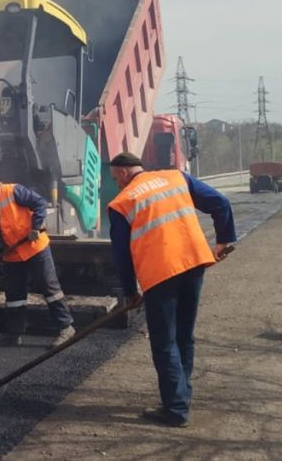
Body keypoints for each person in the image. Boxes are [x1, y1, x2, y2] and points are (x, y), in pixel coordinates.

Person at [107, 152, 235, 428]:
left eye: (116, 178)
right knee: (184, 336)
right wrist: (224, 240)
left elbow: (121, 255)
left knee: (165, 342)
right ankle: (181, 396)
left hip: (161, 273)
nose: (117, 184)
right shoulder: (176, 177)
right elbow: (221, 202)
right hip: (194, 263)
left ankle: (175, 409)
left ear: (124, 172)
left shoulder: (121, 202)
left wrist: (130, 292)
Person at [0, 168, 75, 347]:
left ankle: (66, 327)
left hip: (35, 248)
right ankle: (14, 334)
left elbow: (39, 203)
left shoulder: (12, 191)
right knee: (14, 295)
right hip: (12, 254)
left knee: (49, 287)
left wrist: (35, 227)